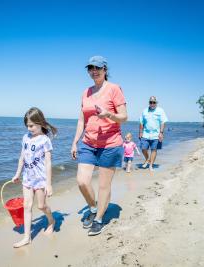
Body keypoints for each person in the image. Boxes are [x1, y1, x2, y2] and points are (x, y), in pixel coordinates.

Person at [71, 56, 128, 236]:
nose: (94, 71)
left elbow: (124, 116)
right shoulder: (85, 92)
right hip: (88, 143)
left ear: (105, 70)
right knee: (82, 181)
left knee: (104, 186)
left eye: (97, 68)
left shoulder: (114, 89)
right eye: (90, 68)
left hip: (110, 144)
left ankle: (98, 218)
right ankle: (93, 207)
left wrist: (108, 114)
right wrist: (74, 142)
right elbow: (82, 120)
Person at [11, 107, 57, 248]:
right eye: (27, 126)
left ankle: (52, 221)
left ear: (40, 123)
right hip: (27, 178)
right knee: (27, 205)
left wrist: (48, 184)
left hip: (40, 179)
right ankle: (27, 238)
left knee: (41, 205)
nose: (29, 128)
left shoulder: (45, 140)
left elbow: (48, 163)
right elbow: (22, 157)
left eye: (31, 125)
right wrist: (18, 173)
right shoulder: (25, 138)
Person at [139, 96, 168, 171]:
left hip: (156, 134)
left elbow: (163, 122)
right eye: (150, 102)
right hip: (145, 134)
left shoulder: (160, 110)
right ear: (149, 103)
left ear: (156, 103)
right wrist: (140, 132)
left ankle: (150, 165)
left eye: (154, 102)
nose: (152, 104)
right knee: (143, 148)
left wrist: (161, 133)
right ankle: (147, 159)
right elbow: (141, 122)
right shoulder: (144, 111)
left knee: (154, 150)